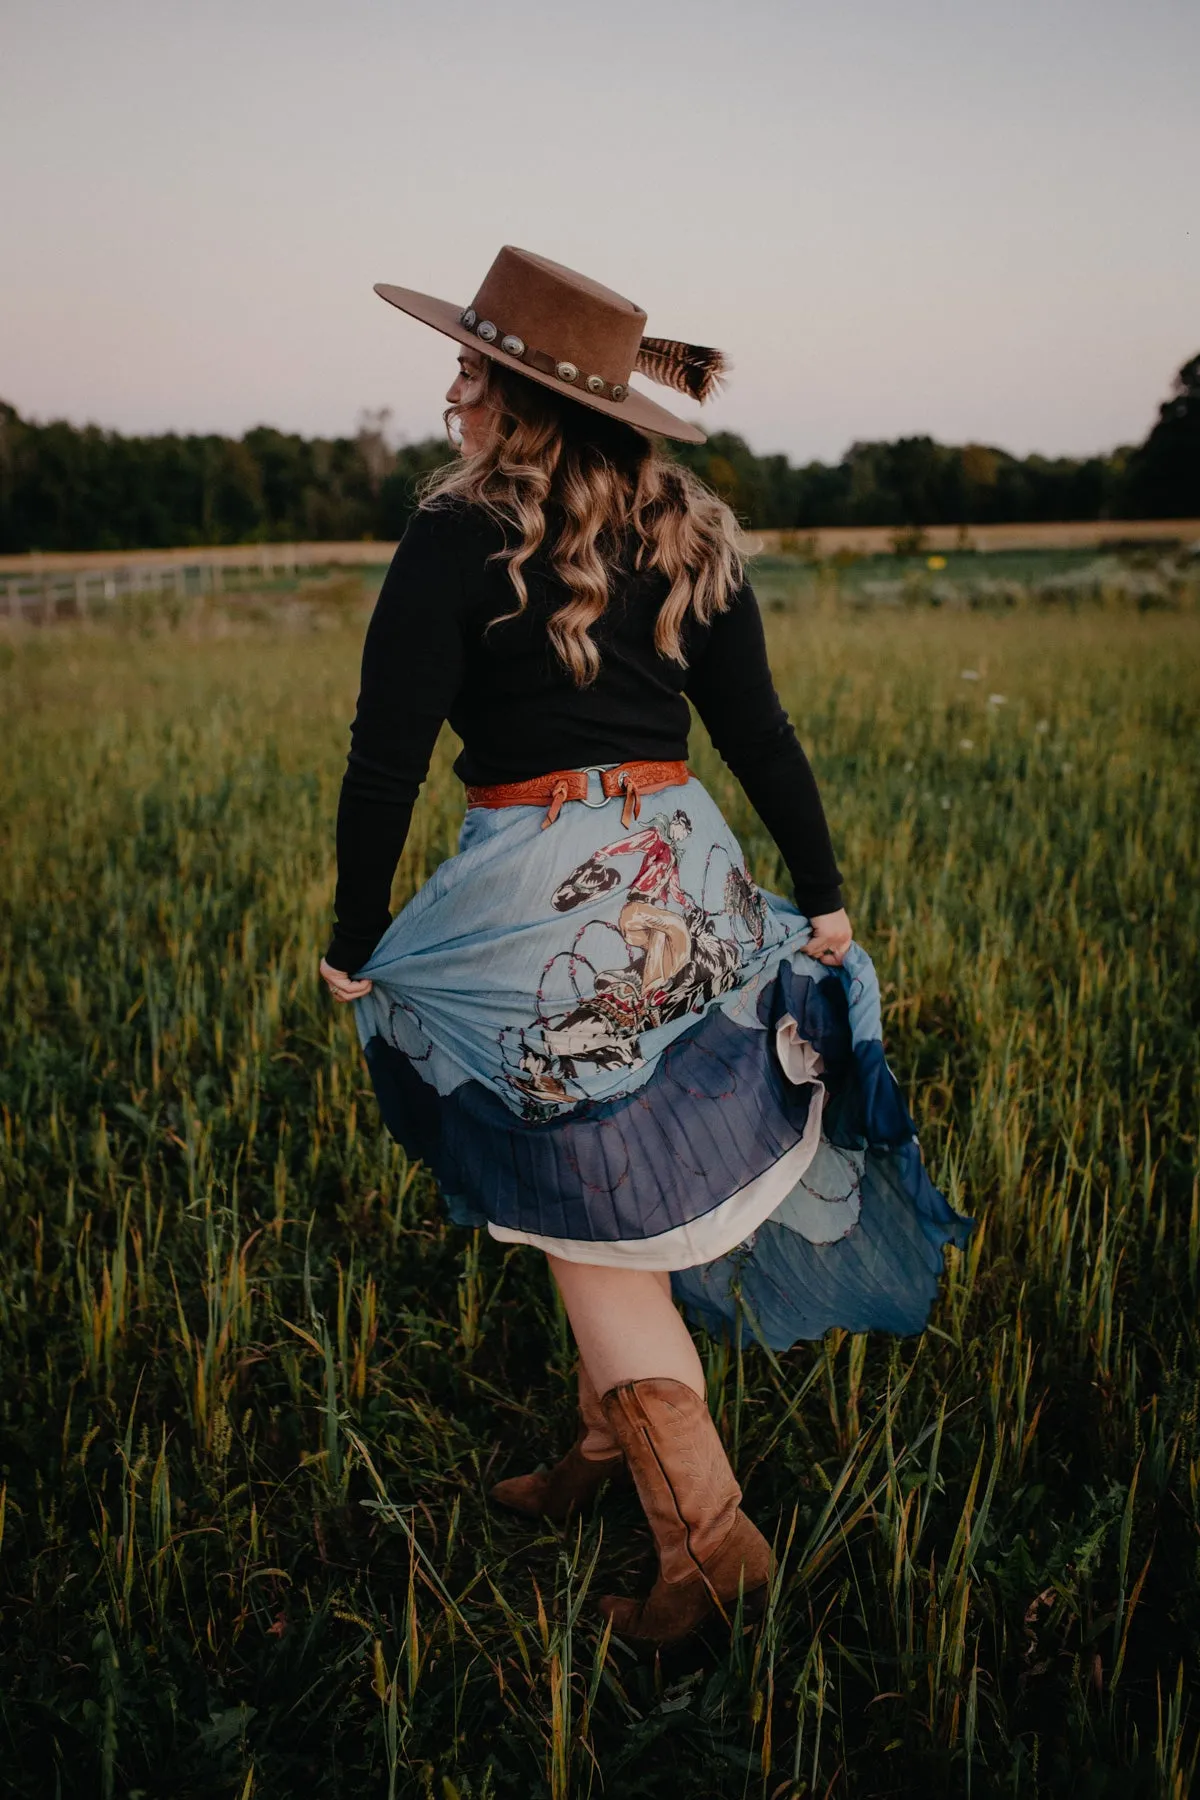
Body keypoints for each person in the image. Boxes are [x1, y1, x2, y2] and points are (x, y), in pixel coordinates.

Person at [320, 246, 973, 1648]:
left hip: (546, 914)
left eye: (471, 375)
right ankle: (606, 1452)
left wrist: (353, 932)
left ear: (521, 404)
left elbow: (384, 761)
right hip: (688, 885)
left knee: (587, 1223)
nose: (450, 396)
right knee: (596, 1202)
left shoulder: (452, 539)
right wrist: (825, 890)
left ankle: (711, 1557)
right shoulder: (687, 537)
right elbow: (758, 737)